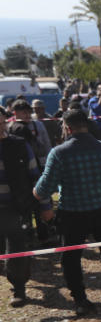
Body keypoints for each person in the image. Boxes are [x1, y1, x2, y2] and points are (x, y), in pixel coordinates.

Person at [33, 109, 101, 314]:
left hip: (73, 213)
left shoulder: (59, 153)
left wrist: (35, 193)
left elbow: (44, 189)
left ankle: (80, 300)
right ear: (86, 125)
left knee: (71, 257)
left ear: (67, 128)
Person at [1, 116, 48, 306]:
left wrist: (45, 205)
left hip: (16, 207)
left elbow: (35, 175)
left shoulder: (19, 145)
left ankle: (18, 288)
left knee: (16, 249)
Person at [8, 99, 52, 167]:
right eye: (24, 112)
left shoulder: (38, 125)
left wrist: (49, 161)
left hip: (40, 163)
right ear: (15, 113)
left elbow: (47, 144)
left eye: (29, 112)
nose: (28, 115)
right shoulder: (9, 127)